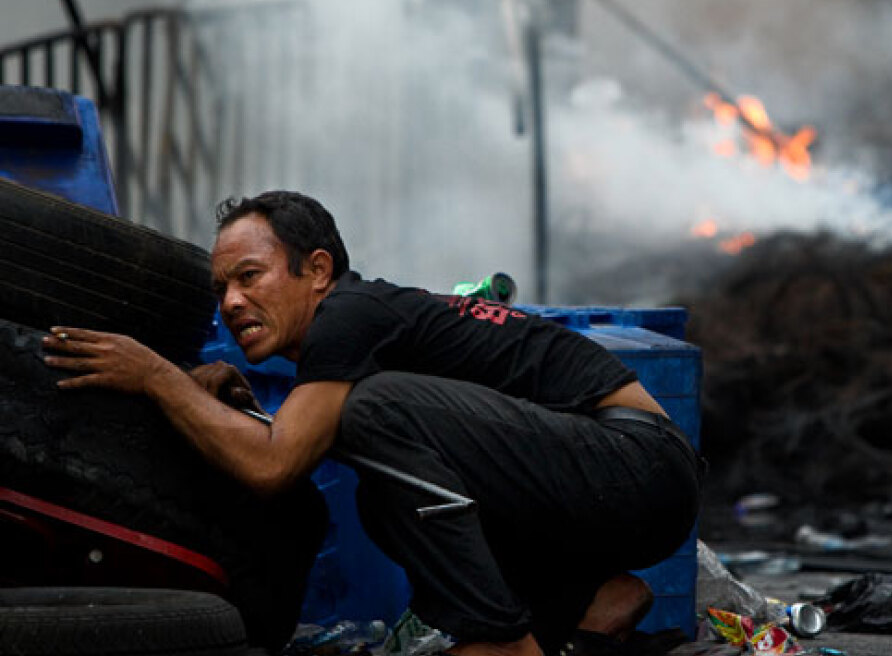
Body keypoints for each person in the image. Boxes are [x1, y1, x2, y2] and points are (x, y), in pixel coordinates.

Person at [43, 191, 703, 656]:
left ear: (319, 271)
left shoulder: (348, 316)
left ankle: (499, 636)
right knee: (384, 495)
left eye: (250, 276)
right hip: (611, 487)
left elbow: (274, 465)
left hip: (635, 463)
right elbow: (293, 444)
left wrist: (155, 375)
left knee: (374, 414)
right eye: (221, 290)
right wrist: (225, 407)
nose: (232, 302)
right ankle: (588, 606)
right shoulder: (353, 330)